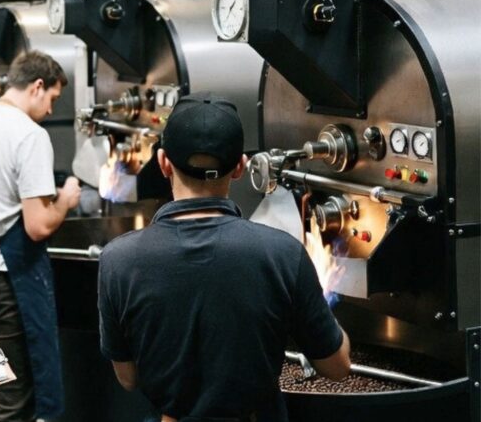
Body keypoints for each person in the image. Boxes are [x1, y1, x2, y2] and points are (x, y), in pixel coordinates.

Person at [97, 93, 351, 422]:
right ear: (240, 168)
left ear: (162, 163)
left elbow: (128, 378)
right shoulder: (282, 253)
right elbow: (337, 366)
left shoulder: (118, 260)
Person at [0, 50, 81, 422]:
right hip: (7, 278)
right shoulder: (29, 134)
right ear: (38, 86)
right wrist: (66, 200)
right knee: (14, 396)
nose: (52, 109)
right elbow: (38, 225)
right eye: (53, 98)